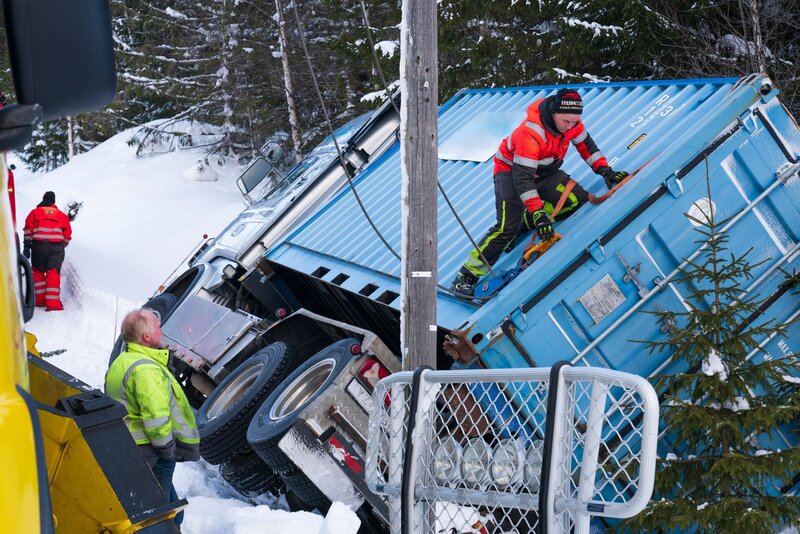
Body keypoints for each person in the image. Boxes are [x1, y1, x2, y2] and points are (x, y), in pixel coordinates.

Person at [450, 88, 629, 295]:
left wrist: (605, 171)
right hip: (511, 172)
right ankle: (467, 275)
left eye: (574, 122)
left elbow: (587, 147)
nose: (569, 127)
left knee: (574, 199)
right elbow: (523, 180)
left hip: (544, 171)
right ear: (553, 113)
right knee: (507, 226)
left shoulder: (572, 123)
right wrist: (538, 212)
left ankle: (525, 223)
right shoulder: (531, 133)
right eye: (565, 122)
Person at [104, 309, 200, 528]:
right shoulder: (146, 369)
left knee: (172, 511)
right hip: (153, 452)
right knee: (158, 519)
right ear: (146, 336)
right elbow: (156, 418)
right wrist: (167, 452)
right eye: (157, 327)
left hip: (133, 448)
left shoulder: (124, 360)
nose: (161, 330)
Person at [22, 191, 72, 310]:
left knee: (38, 271)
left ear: (43, 199)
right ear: (54, 201)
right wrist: (62, 246)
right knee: (53, 272)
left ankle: (41, 301)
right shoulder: (62, 215)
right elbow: (67, 234)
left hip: (38, 247)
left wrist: (27, 246)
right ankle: (53, 304)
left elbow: (28, 229)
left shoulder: (35, 212)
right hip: (56, 247)